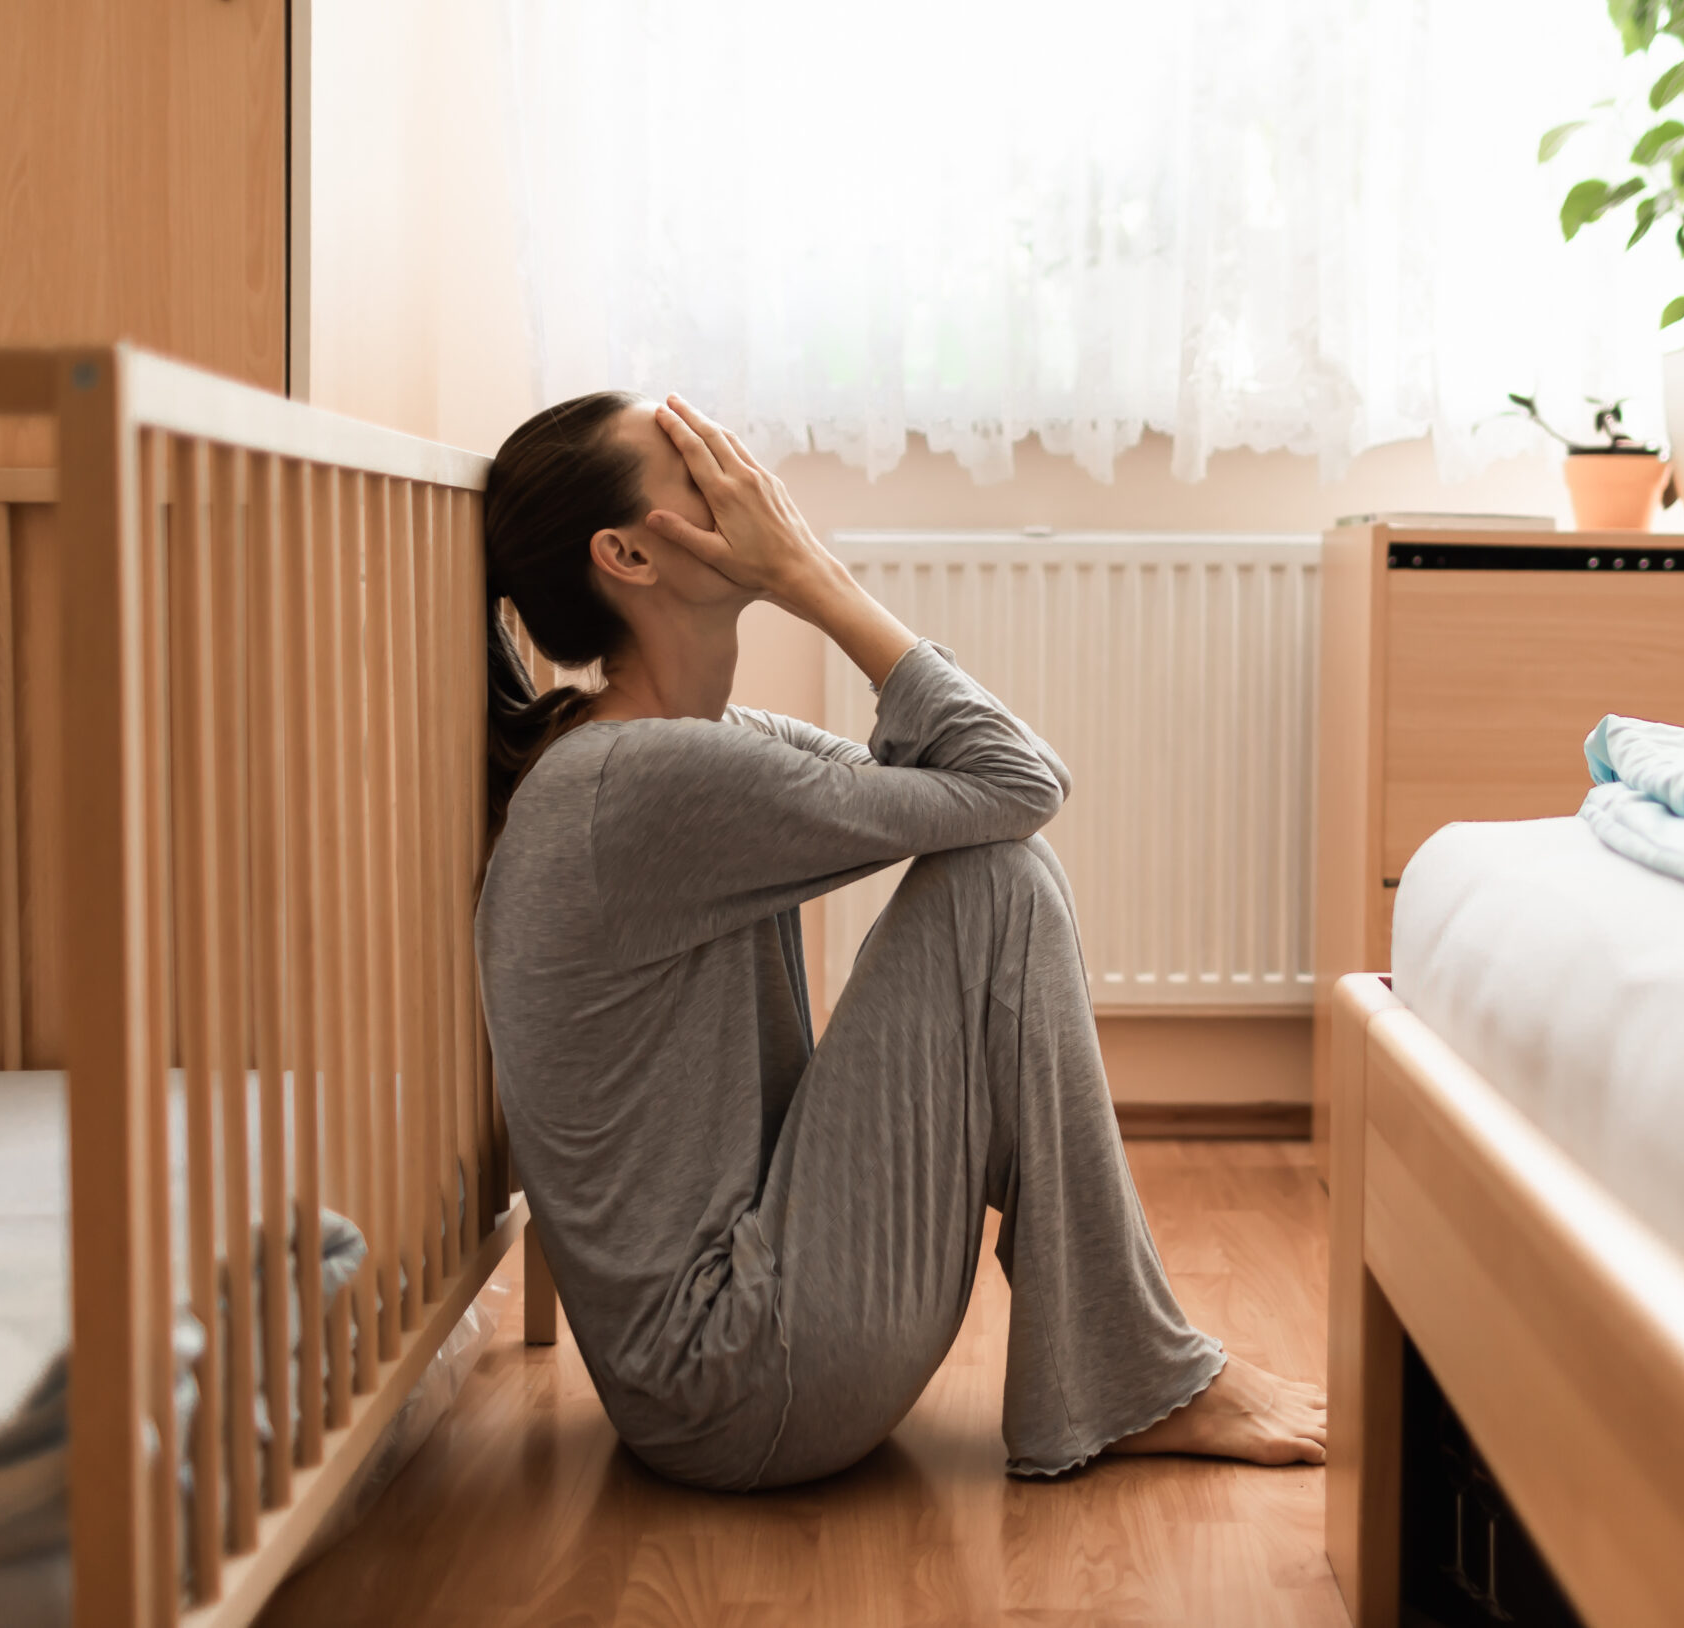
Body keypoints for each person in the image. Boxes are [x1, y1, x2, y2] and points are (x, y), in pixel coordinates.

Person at [473, 390, 1325, 1489]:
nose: (747, 479)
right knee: (1000, 883)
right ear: (629, 554)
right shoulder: (635, 781)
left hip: (735, 1366)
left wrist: (803, 570)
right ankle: (1129, 1372)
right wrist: (810, 576)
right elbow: (1018, 783)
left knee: (999, 868)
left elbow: (989, 785)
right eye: (696, 463)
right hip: (740, 1377)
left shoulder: (680, 752)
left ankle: (1123, 1363)